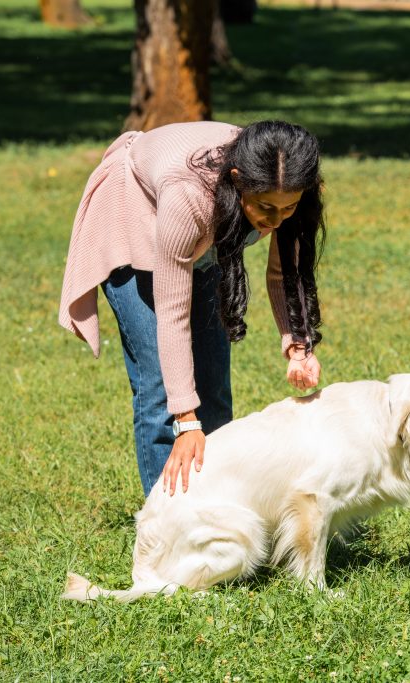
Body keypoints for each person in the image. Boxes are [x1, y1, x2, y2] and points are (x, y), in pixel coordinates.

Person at [59, 120, 326, 498]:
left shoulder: (285, 180)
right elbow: (172, 312)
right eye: (265, 207)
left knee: (213, 387)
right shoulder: (189, 196)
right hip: (134, 220)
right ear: (237, 179)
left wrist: (298, 346)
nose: (276, 220)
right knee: (160, 391)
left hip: (201, 234)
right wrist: (186, 421)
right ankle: (166, 525)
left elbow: (286, 274)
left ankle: (215, 508)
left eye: (289, 208)